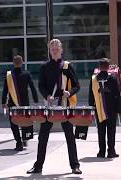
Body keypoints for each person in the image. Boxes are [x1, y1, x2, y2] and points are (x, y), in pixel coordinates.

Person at [27, 39, 82, 174]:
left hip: (64, 104)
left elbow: (77, 85)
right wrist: (47, 96)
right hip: (49, 105)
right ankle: (38, 166)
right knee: (43, 136)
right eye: (52, 48)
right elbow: (40, 85)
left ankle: (75, 166)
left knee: (69, 136)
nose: (55, 50)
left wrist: (70, 92)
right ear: (49, 51)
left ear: (61, 50)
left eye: (57, 48)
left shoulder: (67, 66)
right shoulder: (44, 66)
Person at [2, 55, 39, 151]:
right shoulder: (26, 74)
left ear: (13, 63)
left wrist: (3, 102)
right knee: (25, 122)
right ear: (22, 62)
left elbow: (5, 90)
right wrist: (35, 100)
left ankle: (18, 143)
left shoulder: (9, 75)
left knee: (13, 123)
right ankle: (25, 139)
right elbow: (32, 87)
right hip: (24, 103)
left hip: (12, 104)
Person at [88, 58, 120, 158]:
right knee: (111, 131)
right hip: (111, 109)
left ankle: (101, 152)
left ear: (99, 67)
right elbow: (117, 95)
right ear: (108, 67)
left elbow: (91, 95)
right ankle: (111, 151)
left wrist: (91, 107)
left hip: (98, 108)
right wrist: (118, 108)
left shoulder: (93, 79)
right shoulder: (113, 78)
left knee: (101, 131)